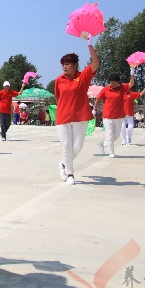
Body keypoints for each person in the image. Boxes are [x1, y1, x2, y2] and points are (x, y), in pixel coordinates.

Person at [54, 41, 100, 186]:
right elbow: (57, 97)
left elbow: (96, 62)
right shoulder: (59, 80)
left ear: (75, 65)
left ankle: (63, 164)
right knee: (66, 146)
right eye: (63, 64)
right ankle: (70, 174)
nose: (65, 67)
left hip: (80, 116)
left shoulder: (83, 76)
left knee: (78, 147)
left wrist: (89, 43)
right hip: (63, 117)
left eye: (68, 64)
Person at [94, 71, 135, 158]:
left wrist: (132, 72)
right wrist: (94, 109)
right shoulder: (105, 89)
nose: (113, 84)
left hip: (119, 116)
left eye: (115, 82)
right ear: (109, 82)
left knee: (116, 135)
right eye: (112, 82)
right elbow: (98, 99)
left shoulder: (122, 88)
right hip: (107, 116)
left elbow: (131, 83)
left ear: (118, 82)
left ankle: (103, 144)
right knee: (109, 135)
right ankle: (111, 152)